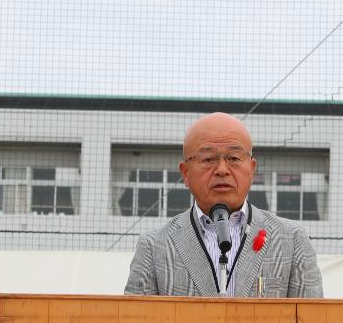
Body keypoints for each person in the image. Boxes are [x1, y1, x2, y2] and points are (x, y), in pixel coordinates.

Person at [123, 112, 324, 298]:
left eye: (234, 158)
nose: (221, 170)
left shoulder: (291, 239)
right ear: (185, 173)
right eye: (208, 159)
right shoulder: (154, 245)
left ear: (252, 169)